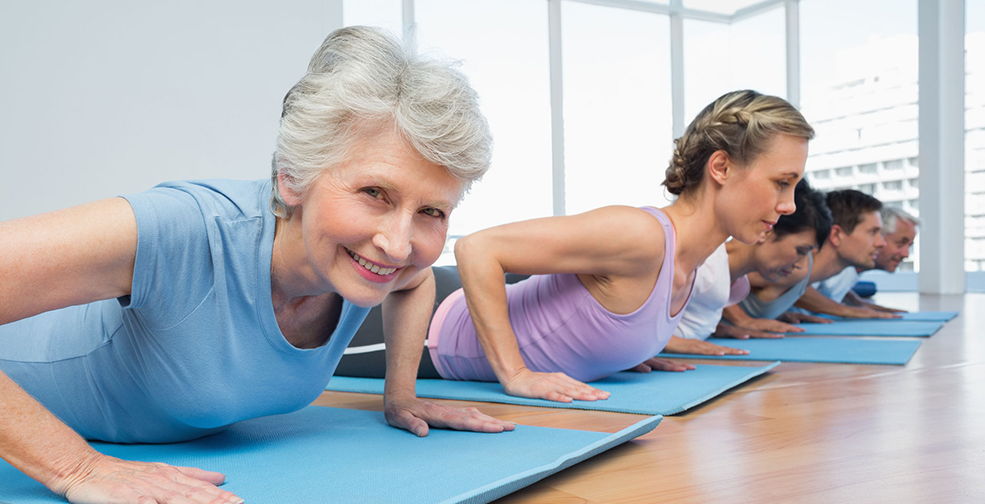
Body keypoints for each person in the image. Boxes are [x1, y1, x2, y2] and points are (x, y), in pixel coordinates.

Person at [0, 26, 513, 504]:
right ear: (293, 178)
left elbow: (416, 279)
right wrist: (77, 468)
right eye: (375, 194)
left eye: (432, 212)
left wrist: (401, 395)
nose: (400, 240)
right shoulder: (187, 229)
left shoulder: (370, 267)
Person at [335, 90, 813, 404]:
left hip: (444, 321)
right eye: (781, 182)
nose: (789, 204)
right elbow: (478, 248)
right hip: (425, 331)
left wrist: (625, 349)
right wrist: (516, 373)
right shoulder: (641, 235)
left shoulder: (691, 259)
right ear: (722, 168)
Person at [664, 178, 832, 356]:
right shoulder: (703, 264)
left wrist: (715, 328)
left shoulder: (735, 281)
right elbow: (635, 318)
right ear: (766, 231)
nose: (800, 265)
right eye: (801, 250)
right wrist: (670, 343)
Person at [742, 189, 899, 321]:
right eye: (873, 232)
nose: (881, 243)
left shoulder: (800, 273)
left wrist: (778, 312)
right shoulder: (793, 267)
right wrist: (741, 321)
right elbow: (723, 279)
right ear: (836, 235)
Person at [837, 206, 920, 313]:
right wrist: (846, 310)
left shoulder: (848, 273)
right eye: (900, 243)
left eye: (909, 246)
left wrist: (858, 303)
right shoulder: (838, 267)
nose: (906, 254)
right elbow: (808, 290)